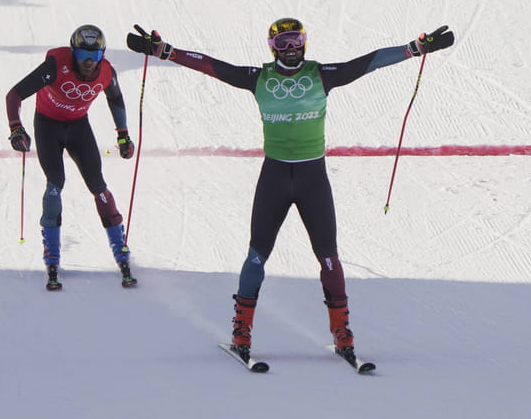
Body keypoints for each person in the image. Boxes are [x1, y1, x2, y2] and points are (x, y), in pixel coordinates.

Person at [126, 19, 454, 364]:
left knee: (328, 256)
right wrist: (165, 51)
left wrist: (415, 48)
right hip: (275, 176)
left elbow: (370, 61)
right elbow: (210, 66)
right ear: (272, 47)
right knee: (257, 255)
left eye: (296, 40)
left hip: (313, 177)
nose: (290, 48)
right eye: (282, 42)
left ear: (305, 43)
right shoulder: (259, 79)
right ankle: (241, 332)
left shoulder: (322, 75)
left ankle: (342, 334)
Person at [5, 25, 138, 290]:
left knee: (98, 186)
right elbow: (14, 94)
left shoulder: (107, 73)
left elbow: (116, 99)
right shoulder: (56, 65)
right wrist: (16, 128)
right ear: (72, 52)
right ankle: (51, 256)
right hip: (48, 125)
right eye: (82, 55)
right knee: (55, 184)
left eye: (95, 56)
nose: (89, 62)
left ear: (102, 55)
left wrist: (123, 134)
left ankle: (121, 253)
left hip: (78, 126)